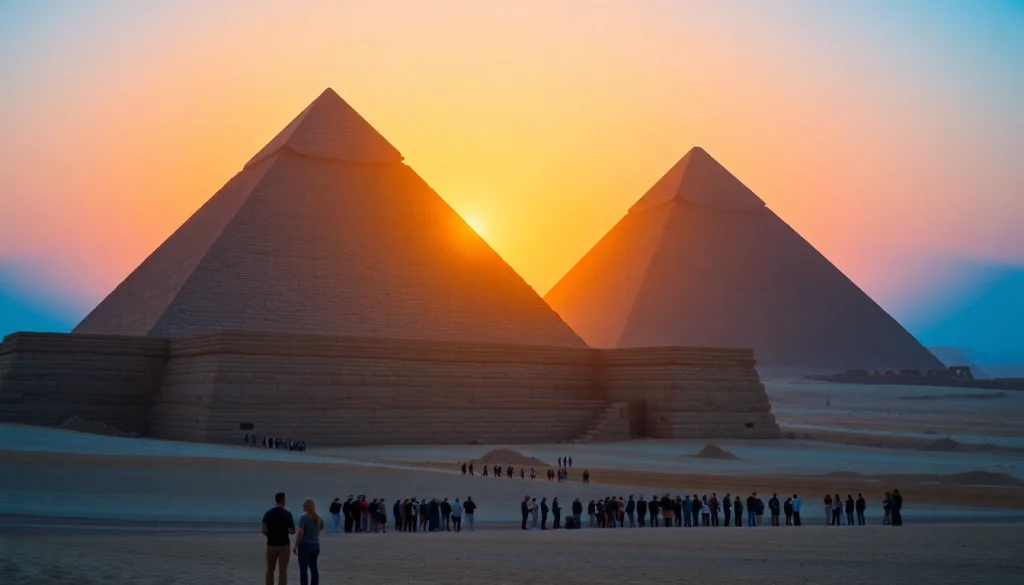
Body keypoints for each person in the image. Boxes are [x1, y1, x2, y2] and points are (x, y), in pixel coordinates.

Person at [261, 492, 295, 585]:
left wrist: (271, 534)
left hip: (271, 544)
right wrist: (286, 530)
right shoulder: (287, 514)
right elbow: (292, 531)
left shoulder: (268, 513)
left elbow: (263, 530)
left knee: (270, 569)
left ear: (276, 500)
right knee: (283, 570)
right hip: (284, 544)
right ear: (284, 501)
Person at [294, 498, 323, 585]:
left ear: (307, 506)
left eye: (304, 505)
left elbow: (301, 533)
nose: (303, 507)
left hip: (305, 545)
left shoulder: (304, 517)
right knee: (314, 567)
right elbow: (319, 531)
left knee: (303, 568)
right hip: (316, 545)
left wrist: (296, 545)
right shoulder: (319, 518)